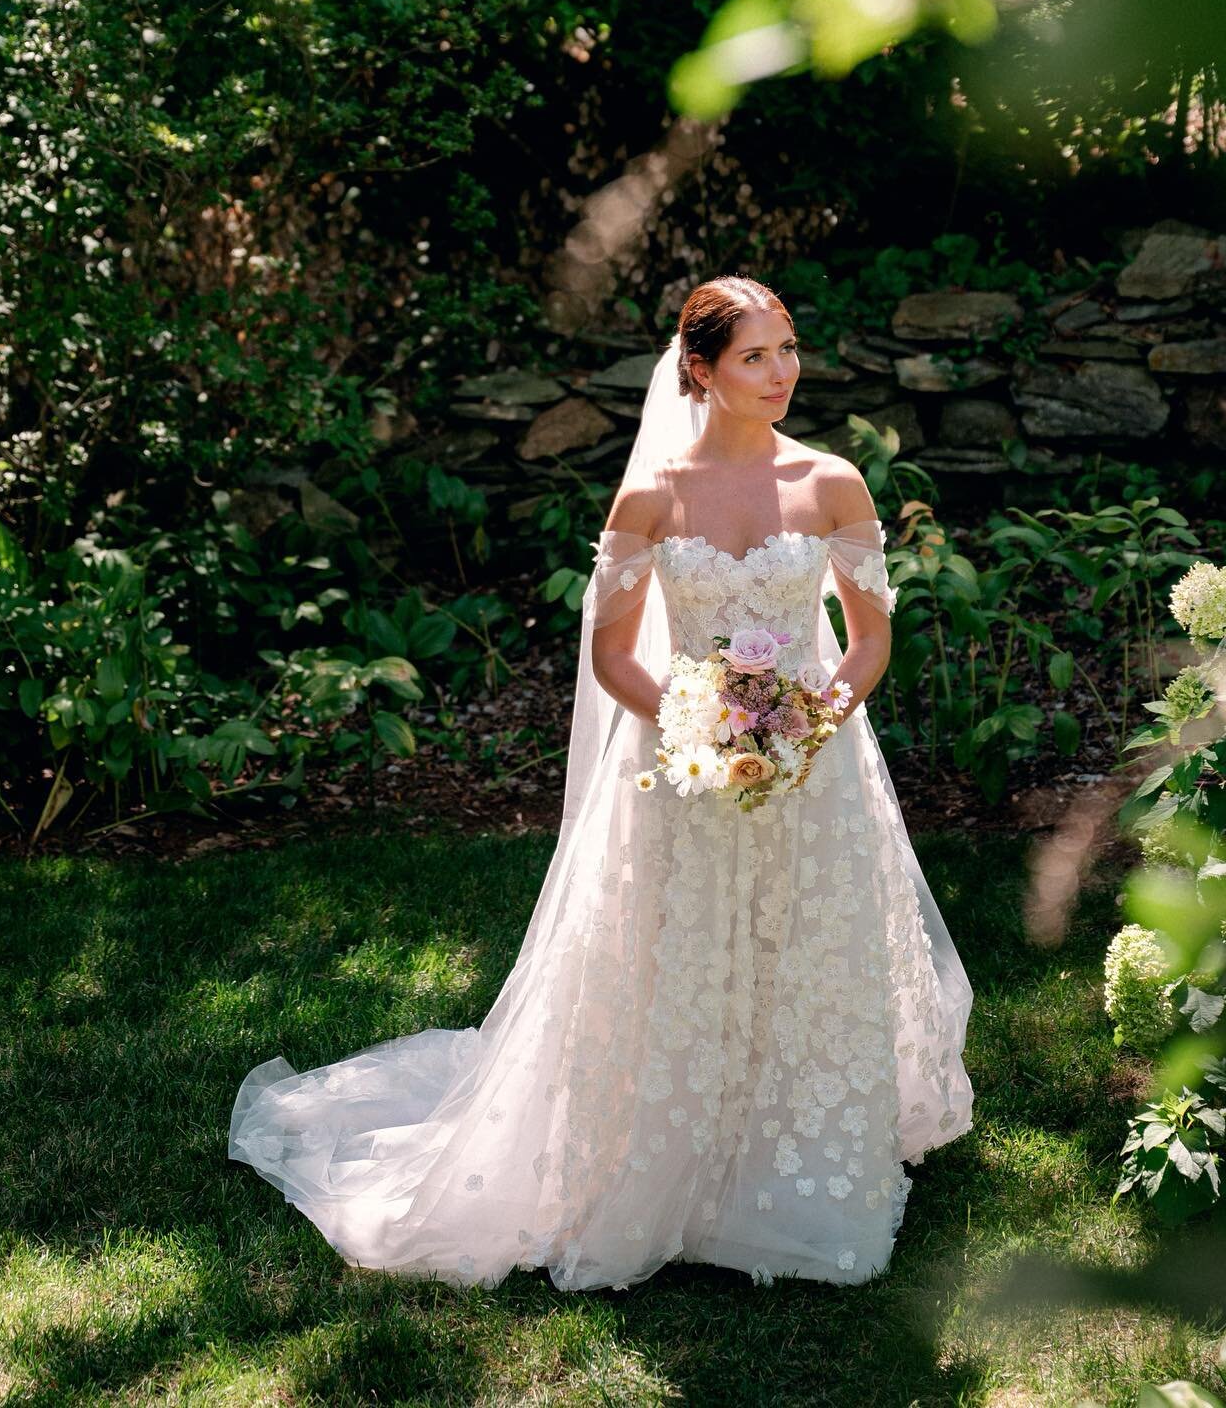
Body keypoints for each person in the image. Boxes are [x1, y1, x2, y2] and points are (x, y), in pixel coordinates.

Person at [228, 274, 974, 1290]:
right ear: (700, 372)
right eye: (755, 356)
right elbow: (613, 654)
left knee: (803, 945)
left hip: (814, 765)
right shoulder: (652, 497)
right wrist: (700, 727)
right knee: (682, 950)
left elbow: (870, 637)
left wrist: (809, 728)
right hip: (681, 762)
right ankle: (662, 1165)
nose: (782, 372)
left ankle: (801, 1157)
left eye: (789, 348)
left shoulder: (833, 482)